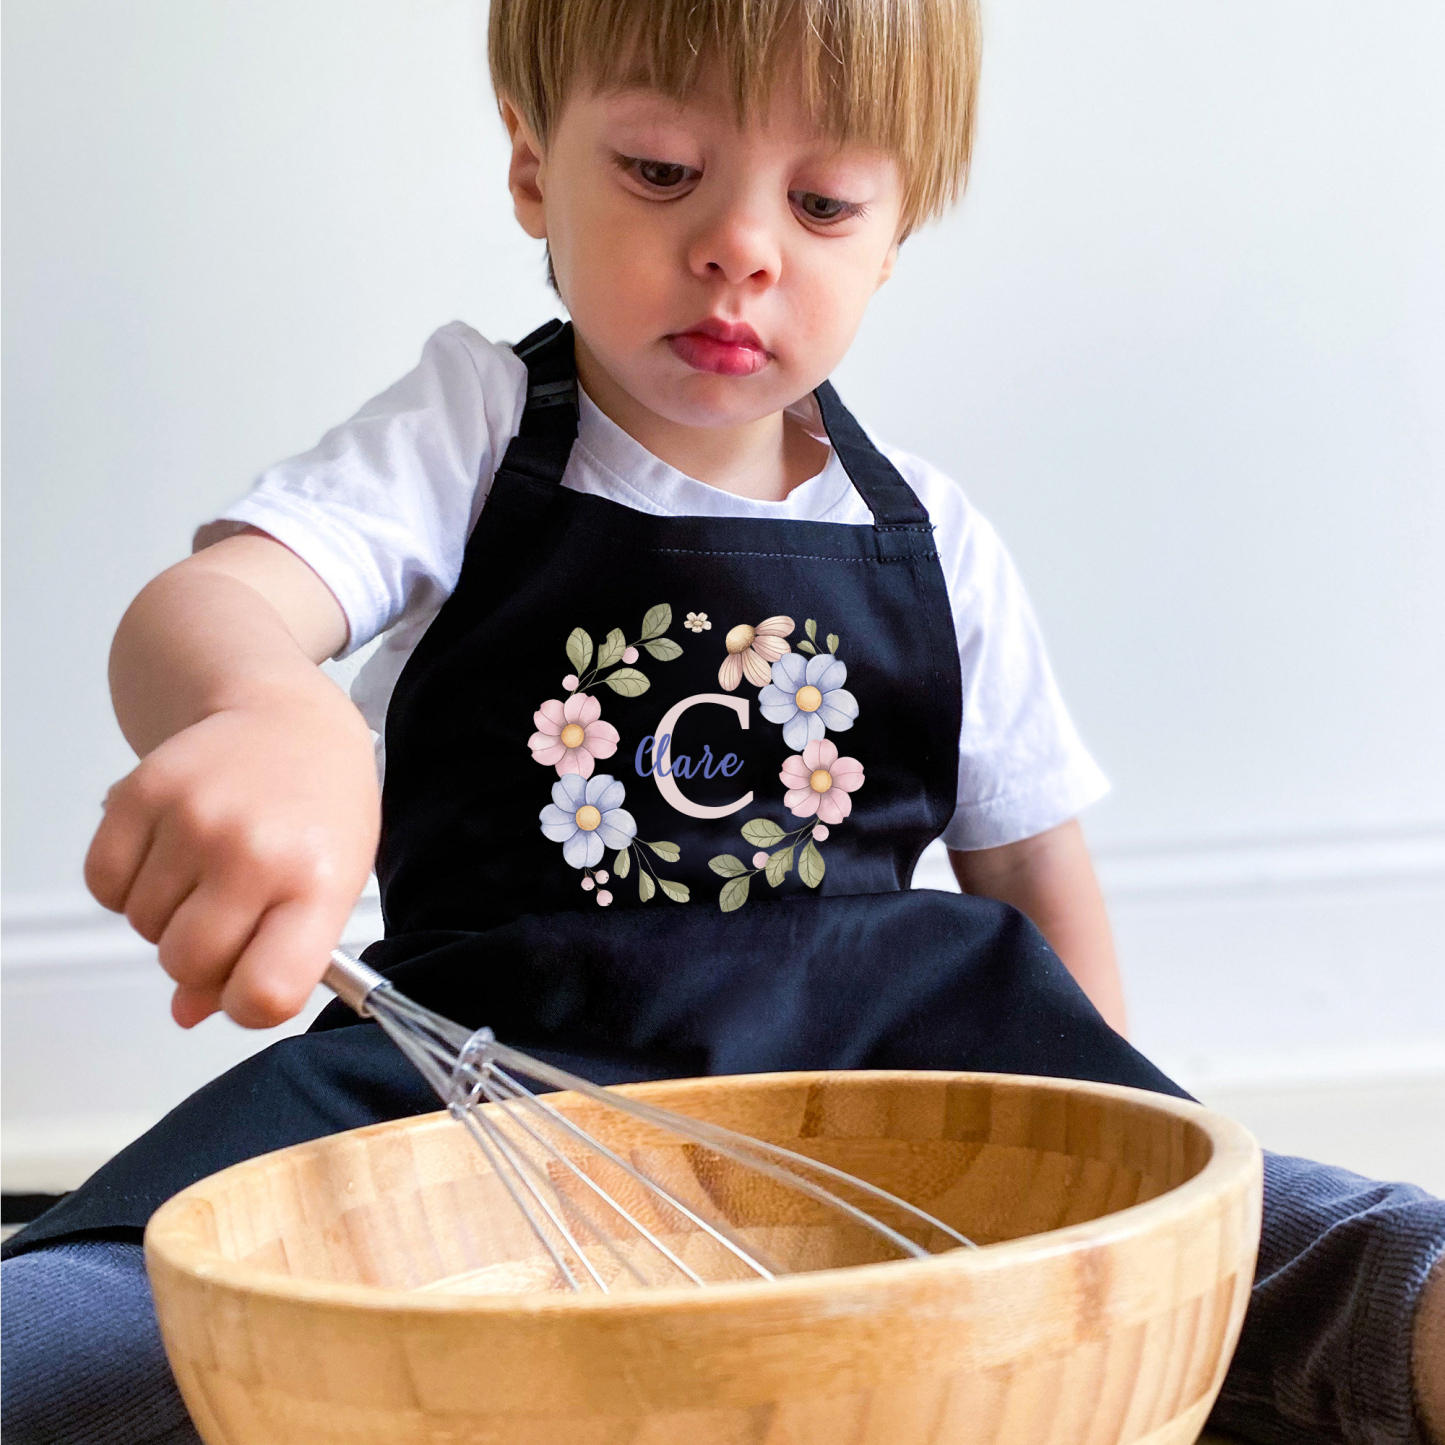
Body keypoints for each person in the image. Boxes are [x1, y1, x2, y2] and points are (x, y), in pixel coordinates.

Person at [3, 2, 1441, 1442]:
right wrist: (268, 708)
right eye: (657, 169)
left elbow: (1034, 878)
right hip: (482, 1092)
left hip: (883, 1104)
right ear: (530, 168)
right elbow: (213, 605)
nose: (741, 247)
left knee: (1330, 1244)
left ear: (892, 238)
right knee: (76, 1336)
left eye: (821, 203)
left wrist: (1110, 1197)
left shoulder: (937, 538)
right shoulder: (470, 429)